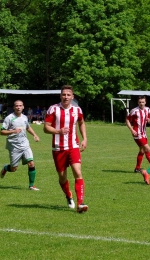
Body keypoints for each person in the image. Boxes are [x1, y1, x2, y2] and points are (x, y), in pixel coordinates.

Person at [43, 85, 88, 213]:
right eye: (64, 94)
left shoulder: (77, 110)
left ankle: (80, 203)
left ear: (72, 97)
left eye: (68, 95)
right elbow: (46, 127)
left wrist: (84, 138)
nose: (66, 97)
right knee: (62, 177)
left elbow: (81, 123)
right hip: (58, 148)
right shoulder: (53, 109)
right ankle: (68, 195)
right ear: (60, 96)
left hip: (73, 146)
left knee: (77, 172)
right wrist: (58, 131)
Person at [0, 100, 40, 190]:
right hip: (14, 146)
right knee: (14, 168)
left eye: (20, 105)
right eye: (16, 106)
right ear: (14, 107)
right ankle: (6, 168)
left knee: (31, 163)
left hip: (25, 144)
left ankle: (31, 185)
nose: (18, 107)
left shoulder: (25, 117)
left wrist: (35, 135)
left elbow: (28, 127)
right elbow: (2, 131)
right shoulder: (9, 118)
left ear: (23, 107)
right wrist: (13, 131)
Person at [126, 95, 150, 173]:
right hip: (137, 133)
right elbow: (127, 120)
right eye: (140, 102)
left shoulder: (147, 109)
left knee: (142, 150)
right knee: (147, 148)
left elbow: (149, 120)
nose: (141, 104)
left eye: (143, 102)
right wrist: (132, 130)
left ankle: (137, 168)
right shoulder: (134, 111)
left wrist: (149, 120)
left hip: (144, 133)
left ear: (145, 102)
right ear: (137, 103)